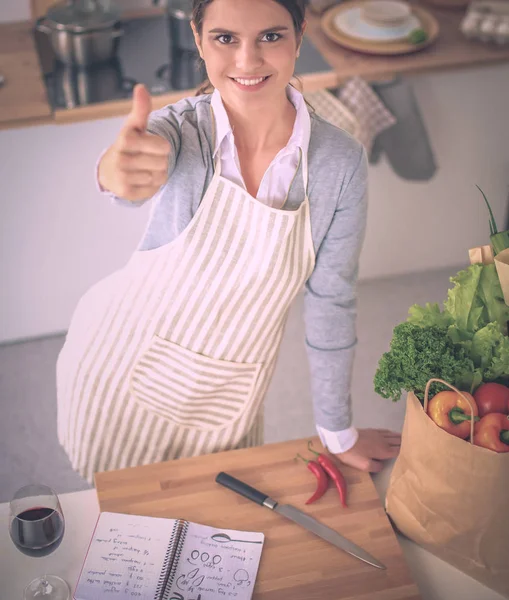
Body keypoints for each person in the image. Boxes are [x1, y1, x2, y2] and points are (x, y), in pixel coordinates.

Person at [56, 0, 401, 485]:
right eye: (225, 39)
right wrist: (117, 172)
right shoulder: (179, 131)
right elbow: (131, 167)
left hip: (226, 397)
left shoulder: (338, 165)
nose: (247, 60)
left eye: (271, 36)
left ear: (299, 36)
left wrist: (336, 430)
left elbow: (332, 300)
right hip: (119, 369)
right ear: (198, 39)